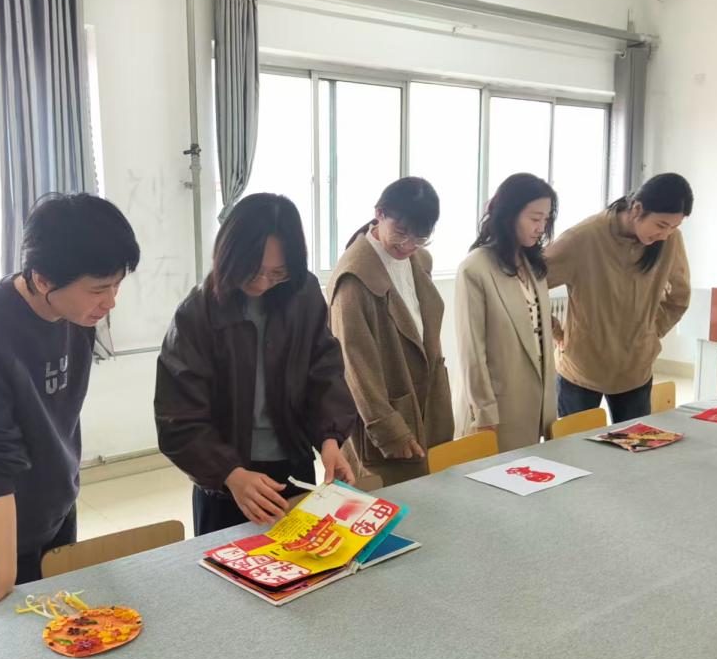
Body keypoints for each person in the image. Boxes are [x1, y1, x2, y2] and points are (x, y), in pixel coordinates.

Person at [0, 193, 140, 609]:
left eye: (116, 285)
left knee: (60, 622)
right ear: (42, 280)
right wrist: (0, 576)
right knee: (0, 634)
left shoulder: (78, 314)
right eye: (98, 289)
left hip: (51, 506)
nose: (110, 302)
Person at [155, 193, 356, 536]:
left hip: (293, 467)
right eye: (253, 271)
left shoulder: (303, 294)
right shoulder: (197, 313)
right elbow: (178, 417)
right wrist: (230, 474)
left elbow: (324, 371)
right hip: (225, 480)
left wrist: (330, 440)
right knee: (226, 566)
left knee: (303, 562)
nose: (263, 283)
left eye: (277, 273)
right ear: (229, 255)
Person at [327, 177, 454, 486]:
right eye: (400, 231)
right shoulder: (353, 278)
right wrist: (388, 428)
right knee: (389, 503)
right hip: (384, 417)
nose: (408, 245)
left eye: (420, 237)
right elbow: (355, 367)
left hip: (427, 406)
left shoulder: (419, 260)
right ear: (379, 214)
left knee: (433, 497)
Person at [545, 172, 693, 423]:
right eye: (661, 225)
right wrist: (557, 332)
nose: (665, 234)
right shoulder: (584, 237)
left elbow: (679, 296)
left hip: (636, 370)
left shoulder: (670, 240)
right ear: (637, 209)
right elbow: (528, 286)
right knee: (575, 446)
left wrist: (650, 331)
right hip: (582, 369)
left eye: (674, 227)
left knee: (634, 445)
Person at [454, 173, 558, 452]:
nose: (541, 228)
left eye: (546, 219)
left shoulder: (533, 264)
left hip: (537, 405)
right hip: (498, 409)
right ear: (509, 215)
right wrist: (484, 413)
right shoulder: (474, 268)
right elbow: (472, 353)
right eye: (534, 218)